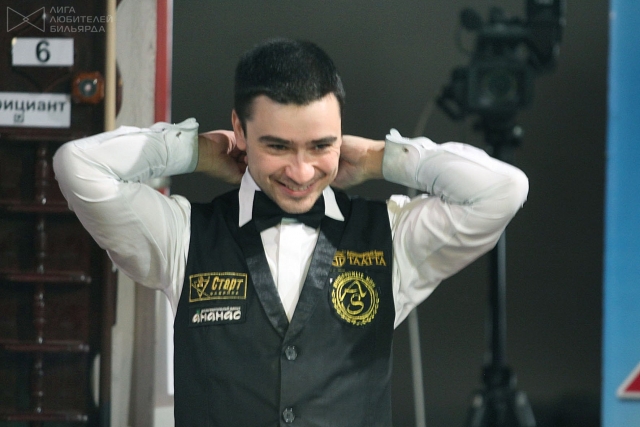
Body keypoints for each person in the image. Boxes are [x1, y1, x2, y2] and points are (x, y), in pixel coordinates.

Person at [53, 38, 528, 427]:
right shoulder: (182, 236)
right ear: (239, 130)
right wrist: (192, 151)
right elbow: (77, 166)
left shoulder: (392, 236)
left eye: (321, 146)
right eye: (278, 146)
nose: (301, 172)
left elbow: (504, 190)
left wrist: (383, 158)